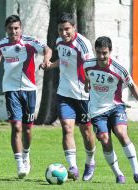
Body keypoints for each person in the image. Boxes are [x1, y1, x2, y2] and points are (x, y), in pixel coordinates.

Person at [0, 15, 52, 178]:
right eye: (10, 28)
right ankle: (19, 165)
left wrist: (46, 60)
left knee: (27, 130)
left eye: (16, 28)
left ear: (21, 28)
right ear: (6, 29)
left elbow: (47, 49)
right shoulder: (1, 44)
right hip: (10, 90)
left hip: (29, 89)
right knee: (16, 127)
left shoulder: (29, 42)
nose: (13, 31)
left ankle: (26, 155)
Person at [40, 12, 96, 181]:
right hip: (64, 93)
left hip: (83, 95)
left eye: (67, 30)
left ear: (74, 28)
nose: (63, 33)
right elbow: (63, 60)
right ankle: (73, 167)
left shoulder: (83, 44)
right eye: (60, 30)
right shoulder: (59, 41)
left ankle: (90, 162)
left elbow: (91, 67)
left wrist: (89, 82)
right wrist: (51, 65)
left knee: (86, 132)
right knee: (67, 128)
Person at [84, 36, 138, 184]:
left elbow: (131, 84)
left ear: (110, 51)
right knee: (105, 140)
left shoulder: (119, 68)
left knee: (121, 133)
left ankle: (137, 173)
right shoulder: (88, 65)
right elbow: (88, 76)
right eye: (98, 52)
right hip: (97, 111)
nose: (101, 56)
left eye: (104, 53)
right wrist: (87, 85)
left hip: (115, 106)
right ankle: (119, 174)